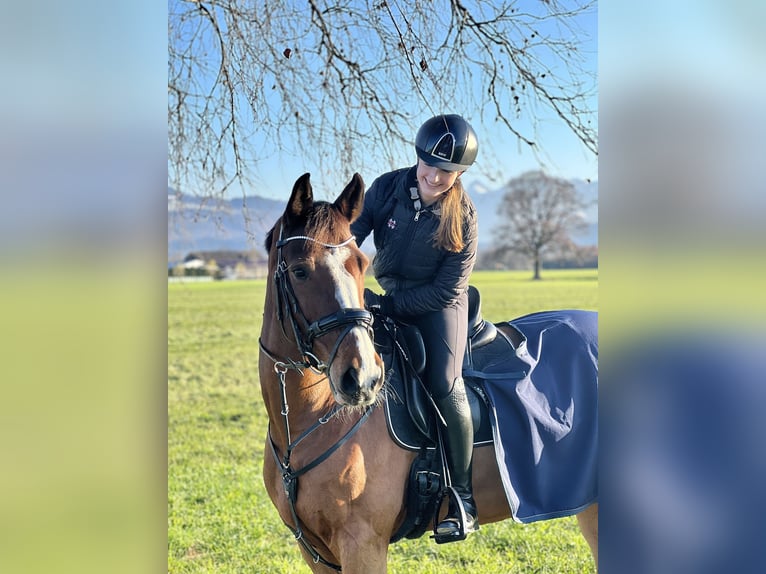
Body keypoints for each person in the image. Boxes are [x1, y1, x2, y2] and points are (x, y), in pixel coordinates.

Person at [350, 114, 480, 540]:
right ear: (419, 156)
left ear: (458, 173)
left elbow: (447, 289)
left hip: (436, 305)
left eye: (446, 170)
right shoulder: (387, 187)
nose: (434, 175)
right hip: (382, 297)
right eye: (429, 163)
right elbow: (351, 235)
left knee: (444, 381)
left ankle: (462, 497)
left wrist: (389, 304)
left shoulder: (462, 214)